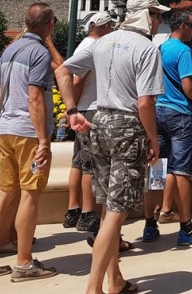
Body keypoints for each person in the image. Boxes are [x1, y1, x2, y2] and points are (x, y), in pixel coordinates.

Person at [0, 3, 82, 282]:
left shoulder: (10, 51)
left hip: (5, 128)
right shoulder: (38, 53)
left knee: (5, 192)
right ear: (51, 24)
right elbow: (34, 97)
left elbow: (0, 92)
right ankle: (24, 262)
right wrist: (44, 140)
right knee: (30, 195)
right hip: (27, 132)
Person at [60, 0, 167, 294]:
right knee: (116, 212)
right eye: (157, 15)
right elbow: (145, 102)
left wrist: (71, 111)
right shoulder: (146, 48)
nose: (160, 21)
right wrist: (153, 138)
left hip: (100, 121)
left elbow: (63, 70)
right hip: (127, 125)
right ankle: (94, 288)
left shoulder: (101, 42)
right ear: (146, 16)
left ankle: (114, 279)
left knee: (109, 206)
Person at [146, 10, 192, 247]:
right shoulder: (183, 51)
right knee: (181, 171)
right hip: (179, 113)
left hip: (158, 111)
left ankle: (150, 224)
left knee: (156, 167)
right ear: (182, 26)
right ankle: (186, 226)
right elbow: (188, 86)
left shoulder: (160, 48)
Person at [64, 12, 115, 235]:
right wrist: (72, 109)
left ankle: (74, 209)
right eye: (110, 26)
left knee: (79, 161)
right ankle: (87, 212)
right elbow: (76, 78)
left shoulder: (86, 45)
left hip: (84, 107)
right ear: (102, 27)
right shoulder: (91, 48)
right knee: (90, 164)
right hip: (90, 109)